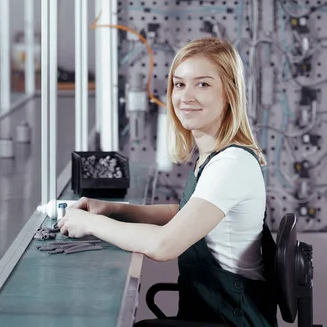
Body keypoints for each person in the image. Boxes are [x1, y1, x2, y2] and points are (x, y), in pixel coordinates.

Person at [57, 38, 278, 327]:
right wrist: (113, 209)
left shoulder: (231, 164)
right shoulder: (215, 156)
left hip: (232, 319)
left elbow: (164, 246)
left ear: (230, 94)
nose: (186, 96)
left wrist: (89, 224)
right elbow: (186, 215)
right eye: (179, 84)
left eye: (203, 84)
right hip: (214, 314)